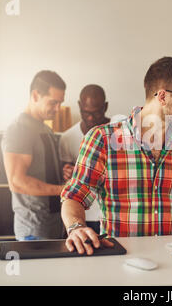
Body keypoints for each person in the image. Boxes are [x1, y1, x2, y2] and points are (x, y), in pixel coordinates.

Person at [61, 57, 172, 255]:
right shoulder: (102, 139)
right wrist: (76, 228)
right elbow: (74, 197)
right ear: (162, 97)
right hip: (120, 260)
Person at [2, 70, 67, 241]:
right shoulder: (19, 129)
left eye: (60, 103)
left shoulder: (45, 128)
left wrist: (62, 171)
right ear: (35, 95)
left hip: (54, 223)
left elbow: (43, 168)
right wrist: (62, 190)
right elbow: (17, 182)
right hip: (33, 229)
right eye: (53, 102)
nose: (58, 109)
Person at [59, 84, 110, 233]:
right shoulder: (67, 138)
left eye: (96, 113)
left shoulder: (120, 133)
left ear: (105, 107)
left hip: (110, 216)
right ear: (79, 106)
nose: (90, 117)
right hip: (83, 215)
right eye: (86, 112)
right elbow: (68, 184)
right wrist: (67, 172)